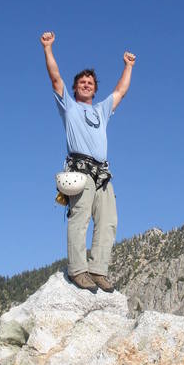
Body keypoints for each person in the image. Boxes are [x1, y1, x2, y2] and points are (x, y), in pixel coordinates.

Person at [40, 31, 136, 293]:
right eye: (81, 82)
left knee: (108, 220)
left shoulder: (102, 111)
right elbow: (55, 77)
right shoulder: (69, 107)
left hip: (102, 172)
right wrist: (48, 48)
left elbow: (121, 91)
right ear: (74, 88)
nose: (86, 85)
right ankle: (78, 270)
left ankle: (98, 270)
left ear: (95, 88)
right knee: (80, 217)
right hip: (80, 170)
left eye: (90, 83)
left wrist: (128, 66)